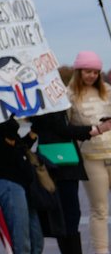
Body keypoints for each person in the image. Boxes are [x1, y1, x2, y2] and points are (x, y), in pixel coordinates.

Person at [30, 108, 111, 254]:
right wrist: (97, 129)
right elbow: (61, 128)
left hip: (60, 162)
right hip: (60, 164)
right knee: (69, 215)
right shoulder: (47, 100)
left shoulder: (48, 98)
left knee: (68, 215)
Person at [0, 117, 42, 254]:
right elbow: (3, 152)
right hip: (8, 182)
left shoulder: (6, 119)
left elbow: (17, 148)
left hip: (23, 181)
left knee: (37, 238)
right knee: (21, 240)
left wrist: (32, 134)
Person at [69, 50, 111, 254]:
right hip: (91, 159)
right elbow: (66, 128)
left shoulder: (108, 91)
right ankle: (101, 251)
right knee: (99, 210)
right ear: (78, 71)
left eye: (96, 72)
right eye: (88, 71)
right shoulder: (69, 96)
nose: (92, 75)